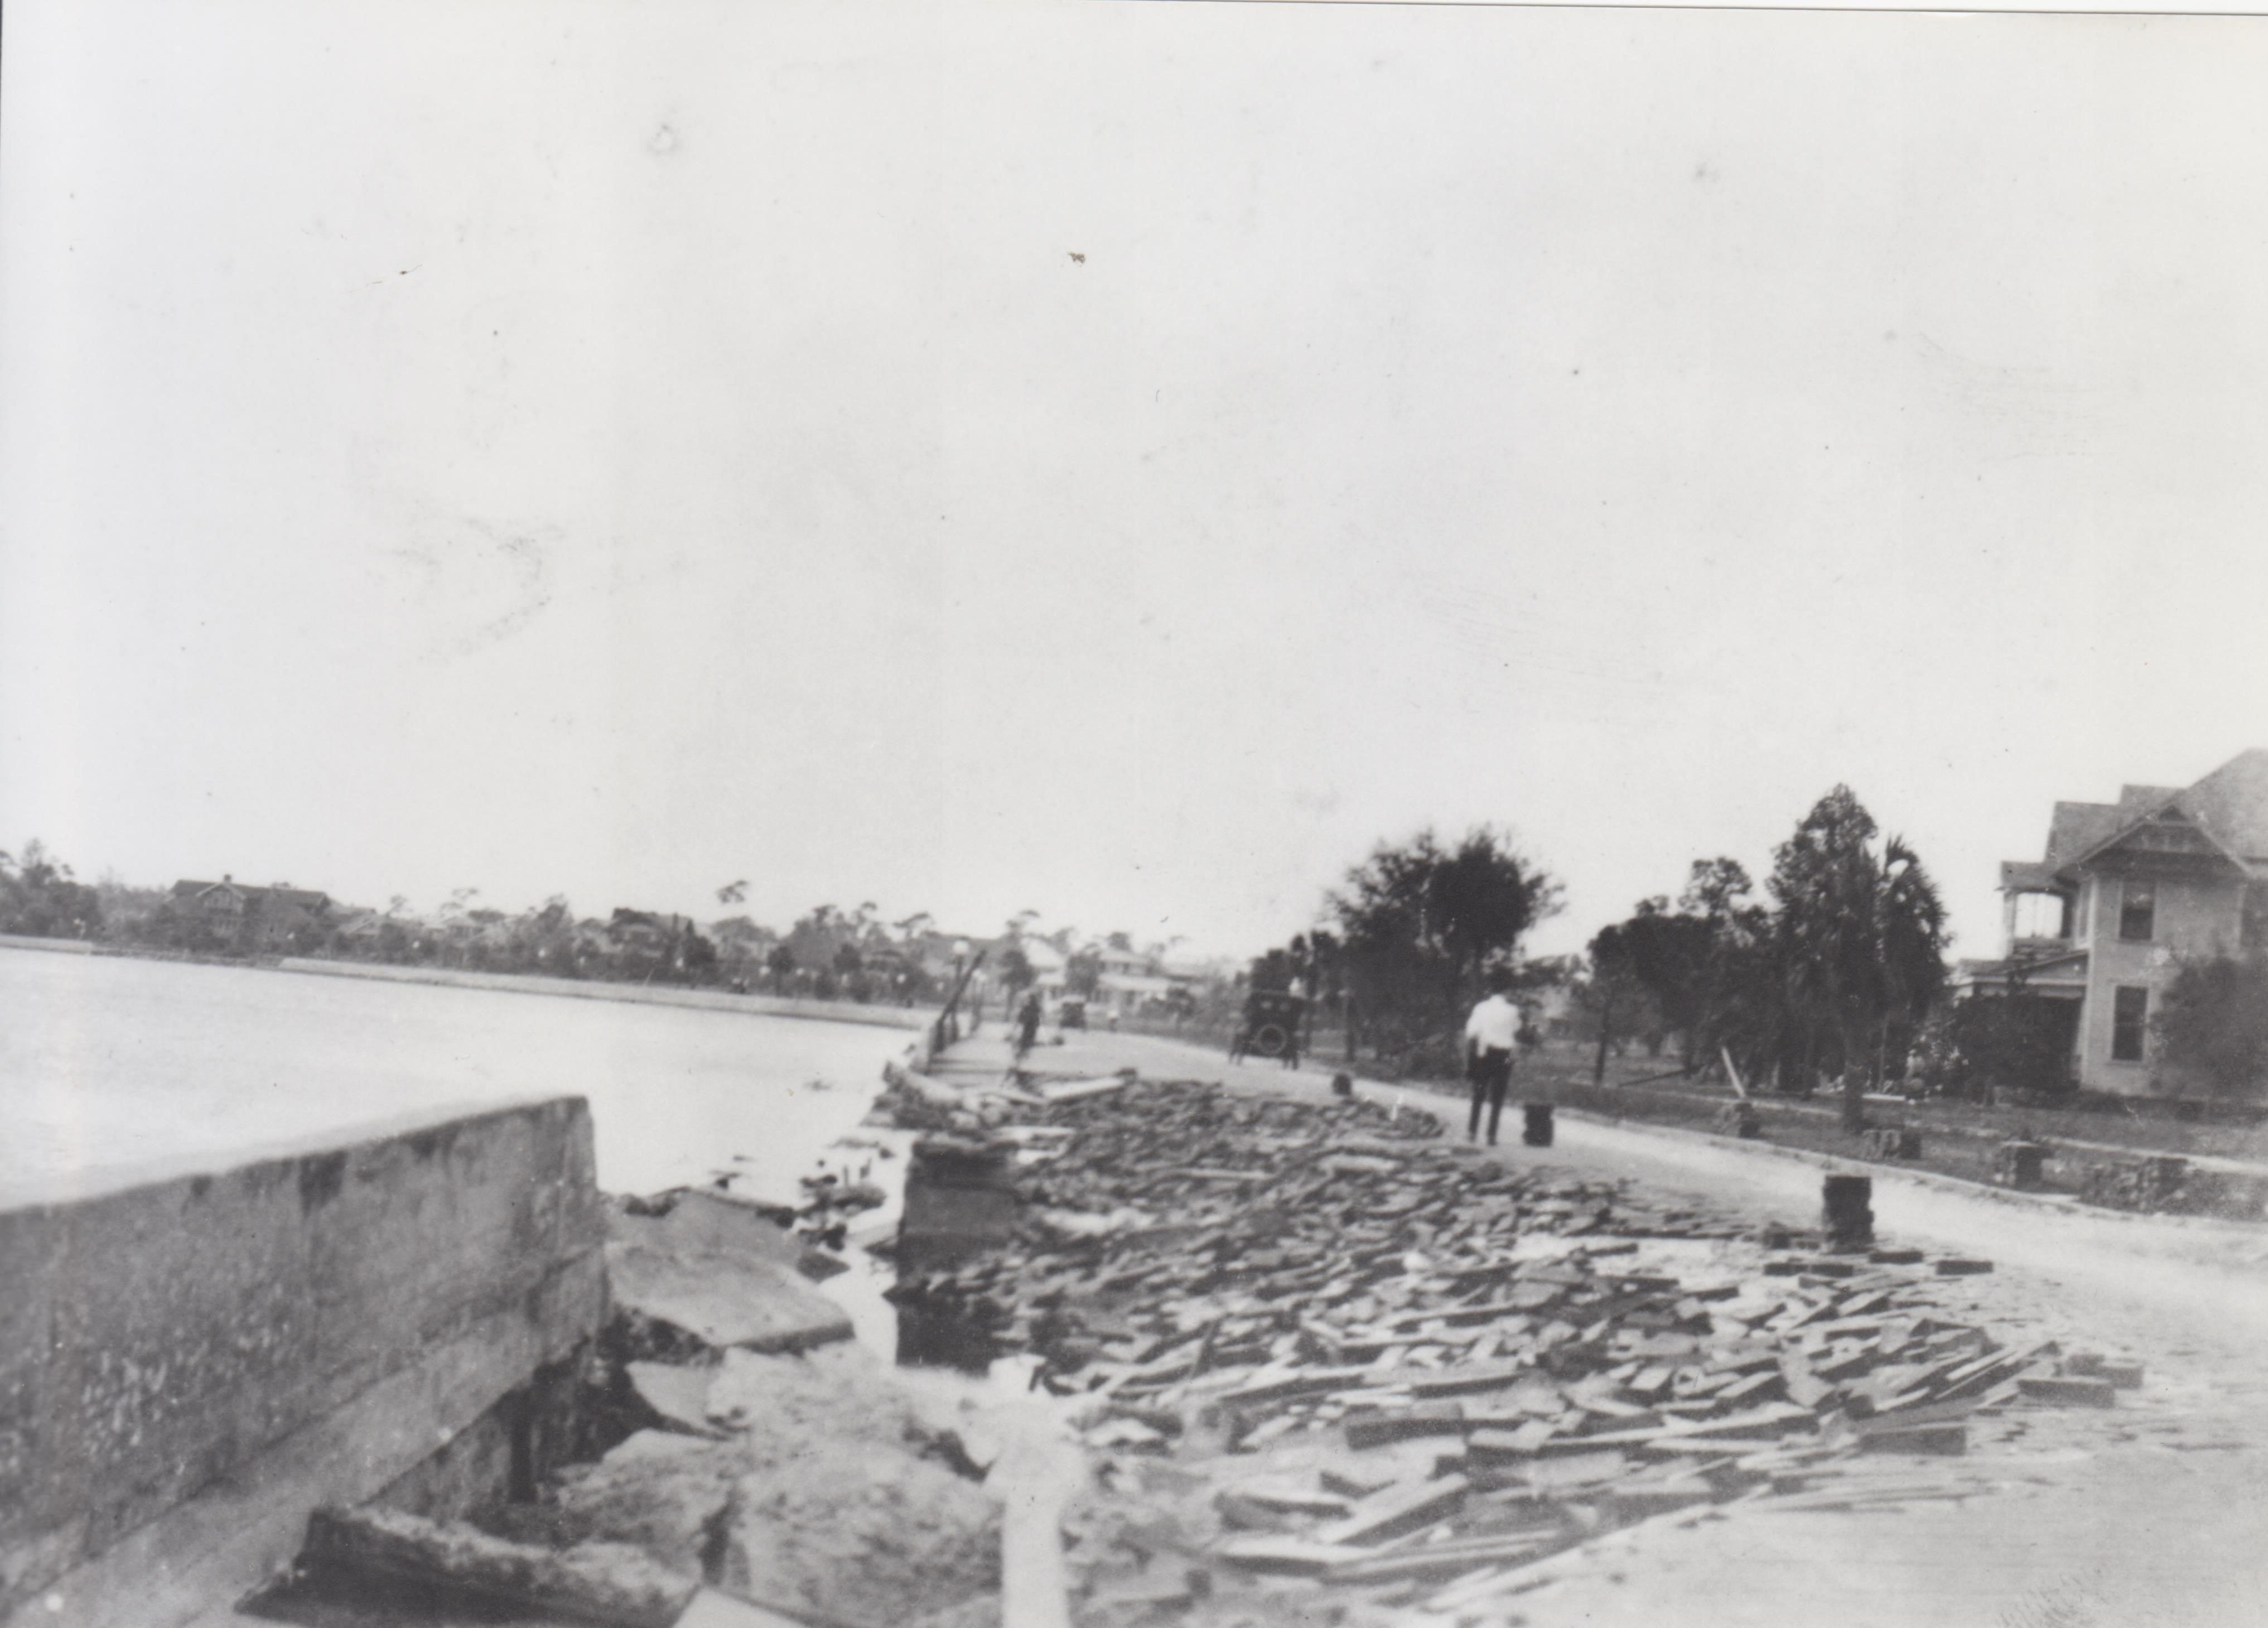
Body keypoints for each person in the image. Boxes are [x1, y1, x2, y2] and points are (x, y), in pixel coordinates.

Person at [1463, 970, 1521, 1145]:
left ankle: (1472, 1132)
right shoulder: (1513, 1011)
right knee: (1498, 1095)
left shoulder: (1481, 1008)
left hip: (1485, 1053)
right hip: (1504, 1055)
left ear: (1491, 990)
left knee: (1479, 1093)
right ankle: (1491, 1135)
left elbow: (1471, 1032)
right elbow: (1516, 1031)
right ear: (1507, 991)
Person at [1015, 990, 1043, 1057]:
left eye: (1030, 998)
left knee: (1026, 1038)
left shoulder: (1030, 1007)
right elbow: (1038, 1015)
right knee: (1028, 1038)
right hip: (1031, 1024)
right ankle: (1025, 1052)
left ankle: (1023, 1052)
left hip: (1029, 1024)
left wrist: (1020, 1021)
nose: (1030, 1000)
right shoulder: (1035, 1007)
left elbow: (1022, 1015)